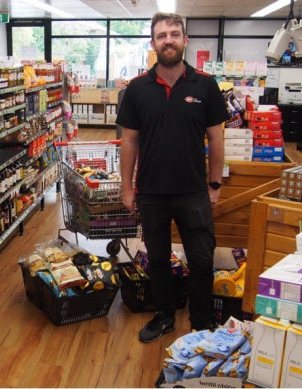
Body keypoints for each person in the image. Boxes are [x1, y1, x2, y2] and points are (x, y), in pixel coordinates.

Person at [116, 12, 229, 343]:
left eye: (174, 34)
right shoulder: (137, 89)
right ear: (153, 43)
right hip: (151, 192)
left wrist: (214, 184)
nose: (168, 39)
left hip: (194, 192)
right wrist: (127, 187)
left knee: (201, 261)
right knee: (159, 261)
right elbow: (129, 141)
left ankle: (202, 322)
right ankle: (164, 315)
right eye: (162, 35)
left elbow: (216, 139)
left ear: (185, 40)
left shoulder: (205, 85)